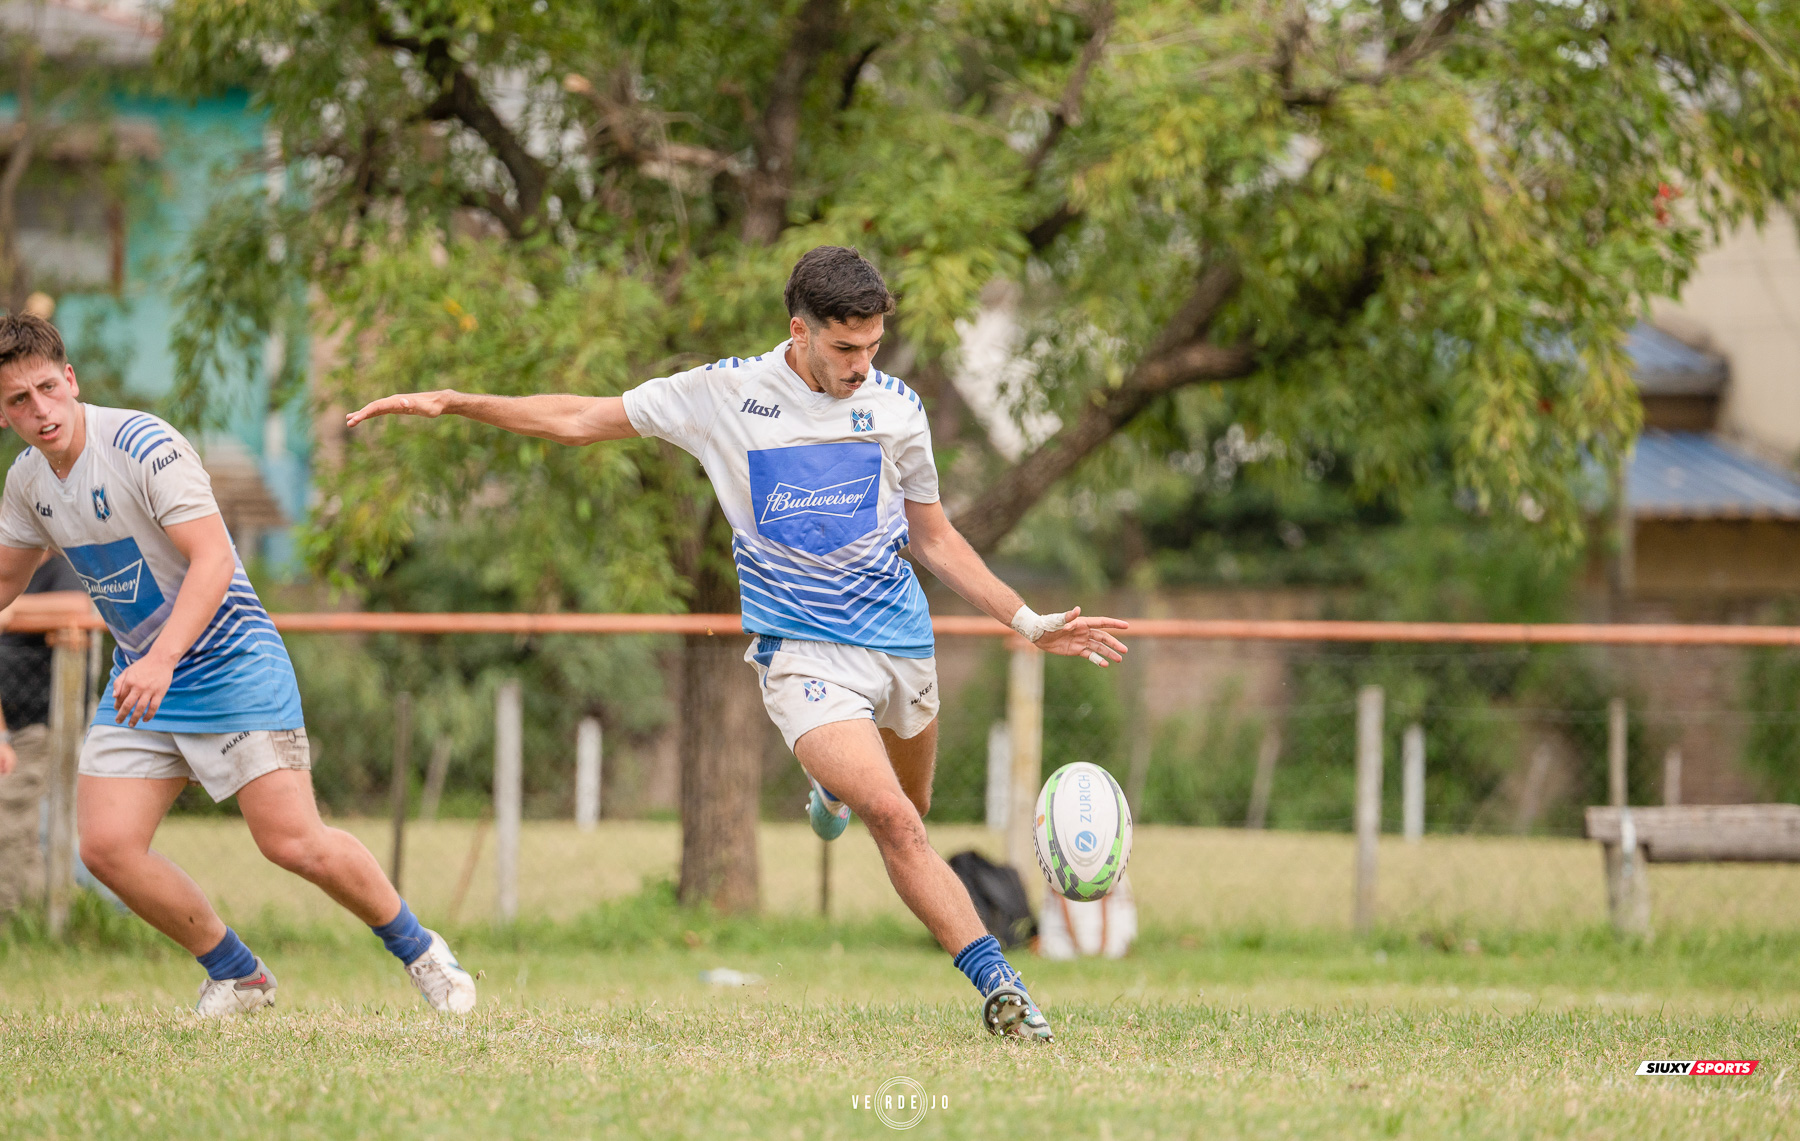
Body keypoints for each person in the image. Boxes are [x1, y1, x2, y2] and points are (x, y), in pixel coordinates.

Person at [348, 246, 1127, 1041]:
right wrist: (456, 402)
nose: (863, 365)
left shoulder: (895, 408)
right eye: (845, 348)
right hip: (800, 651)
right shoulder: (723, 395)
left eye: (874, 346)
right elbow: (582, 419)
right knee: (896, 819)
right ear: (801, 331)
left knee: (910, 807)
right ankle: (1002, 987)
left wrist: (1027, 621)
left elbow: (935, 538)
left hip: (897, 638)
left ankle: (832, 792)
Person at [0, 314, 475, 1017]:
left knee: (292, 841)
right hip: (146, 677)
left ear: (70, 380)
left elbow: (215, 559)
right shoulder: (28, 482)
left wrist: (162, 659)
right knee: (105, 846)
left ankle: (424, 951)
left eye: (46, 388)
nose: (38, 410)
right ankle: (239, 974)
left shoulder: (139, 443)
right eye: (16, 400)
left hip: (230, 662)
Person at [0, 551, 83, 915]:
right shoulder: (10, 570)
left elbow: (78, 607)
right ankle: (28, 915)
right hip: (4, 724)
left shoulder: (60, 569)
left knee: (10, 819)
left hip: (37, 723)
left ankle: (13, 918)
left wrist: (14, 610)